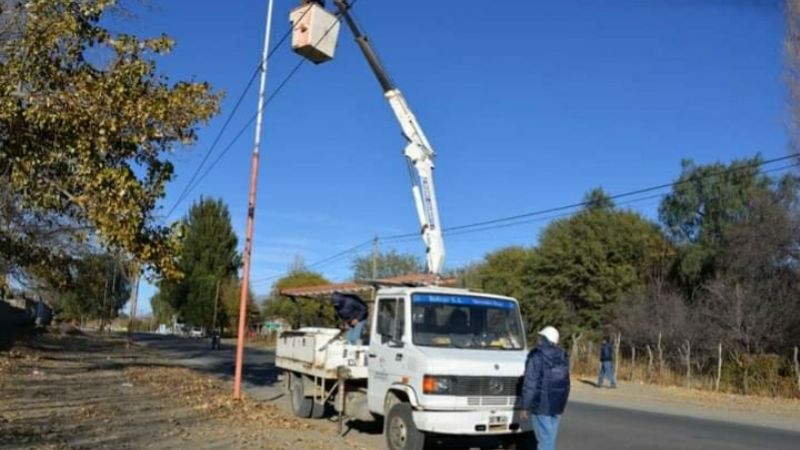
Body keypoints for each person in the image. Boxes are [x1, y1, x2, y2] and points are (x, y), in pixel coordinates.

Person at [521, 326, 570, 450]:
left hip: (542, 405)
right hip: (557, 405)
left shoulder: (536, 356)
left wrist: (525, 406)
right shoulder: (562, 355)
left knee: (544, 439)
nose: (539, 339)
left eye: (541, 337)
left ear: (544, 339)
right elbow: (567, 383)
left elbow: (530, 383)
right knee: (550, 437)